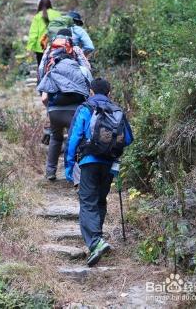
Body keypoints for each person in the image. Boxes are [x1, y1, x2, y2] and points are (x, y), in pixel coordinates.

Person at [65, 78, 133, 267]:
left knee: (87, 201)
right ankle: (98, 238)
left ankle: (95, 242)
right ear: (109, 93)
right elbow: (128, 138)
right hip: (109, 163)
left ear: (91, 92)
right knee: (100, 200)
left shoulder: (86, 108)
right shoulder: (117, 110)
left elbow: (74, 138)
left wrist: (69, 166)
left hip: (88, 161)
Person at [37, 31, 92, 181]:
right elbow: (88, 77)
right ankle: (75, 175)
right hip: (75, 110)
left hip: (55, 110)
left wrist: (50, 109)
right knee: (75, 140)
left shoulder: (52, 66)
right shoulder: (78, 66)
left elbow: (43, 98)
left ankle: (50, 172)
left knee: (55, 138)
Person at [27, 0, 61, 66]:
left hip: (41, 48)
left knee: (42, 68)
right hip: (55, 46)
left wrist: (29, 48)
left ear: (40, 5)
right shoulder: (57, 14)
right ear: (50, 4)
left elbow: (34, 34)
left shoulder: (37, 17)